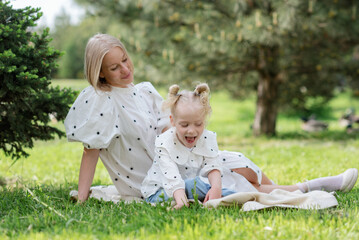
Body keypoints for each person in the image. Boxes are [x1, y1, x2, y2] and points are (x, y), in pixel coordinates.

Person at [64, 33, 358, 203]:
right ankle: (310, 187)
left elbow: (168, 127)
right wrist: (81, 196)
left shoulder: (143, 91)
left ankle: (291, 187)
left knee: (236, 162)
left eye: (125, 60)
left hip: (180, 154)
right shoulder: (100, 101)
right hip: (155, 175)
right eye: (115, 68)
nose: (125, 69)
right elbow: (91, 152)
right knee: (228, 179)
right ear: (99, 72)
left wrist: (192, 136)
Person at [141, 83, 237, 209]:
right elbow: (171, 176)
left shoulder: (207, 138)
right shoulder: (164, 142)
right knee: (196, 186)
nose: (191, 131)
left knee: (208, 185)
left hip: (187, 187)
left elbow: (213, 165)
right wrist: (181, 202)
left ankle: (230, 195)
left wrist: (216, 188)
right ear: (172, 121)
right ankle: (233, 197)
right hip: (159, 192)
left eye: (198, 124)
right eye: (184, 125)